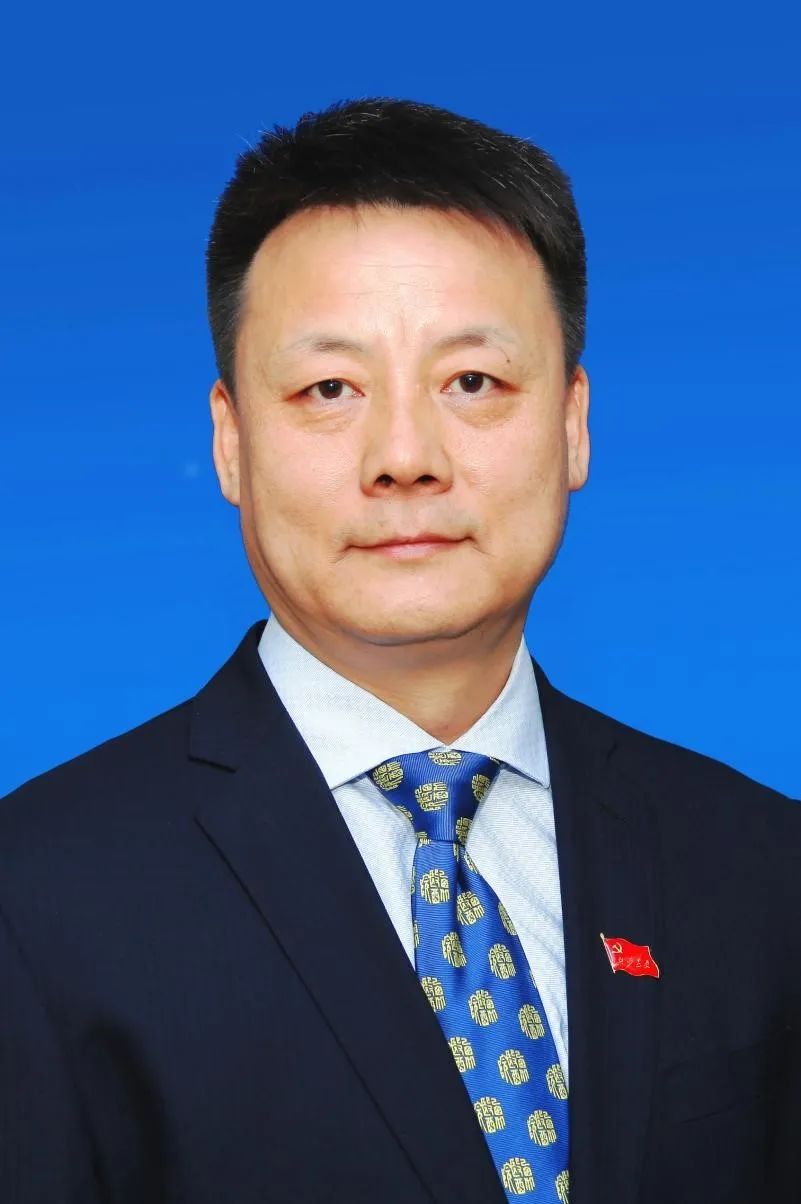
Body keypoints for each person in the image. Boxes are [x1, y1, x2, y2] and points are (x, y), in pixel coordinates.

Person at [0, 97, 798, 1204]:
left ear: (573, 423)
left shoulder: (760, 864)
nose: (405, 456)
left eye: (473, 382)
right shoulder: (35, 896)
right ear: (230, 440)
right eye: (330, 389)